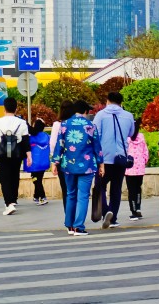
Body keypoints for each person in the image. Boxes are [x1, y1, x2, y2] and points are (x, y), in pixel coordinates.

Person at [52, 100, 104, 236]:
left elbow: (59, 145)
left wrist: (55, 163)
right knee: (83, 196)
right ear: (86, 111)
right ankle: (79, 226)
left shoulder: (64, 125)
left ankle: (69, 225)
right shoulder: (90, 126)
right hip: (86, 166)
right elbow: (97, 147)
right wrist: (101, 164)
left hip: (68, 165)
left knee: (70, 194)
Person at [92, 91, 136, 228]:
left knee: (100, 187)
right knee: (116, 188)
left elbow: (95, 135)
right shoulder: (128, 116)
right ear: (121, 102)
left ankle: (105, 212)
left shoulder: (100, 115)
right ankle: (113, 216)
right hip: (121, 159)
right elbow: (131, 133)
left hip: (104, 159)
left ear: (108, 101)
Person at [0, 97, 31, 216]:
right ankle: (13, 200)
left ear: (4, 108)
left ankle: (9, 203)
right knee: (15, 176)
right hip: (17, 154)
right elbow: (26, 141)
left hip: (2, 155)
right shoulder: (22, 123)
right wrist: (29, 156)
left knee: (4, 178)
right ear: (16, 109)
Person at [50, 101, 74, 209]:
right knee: (75, 189)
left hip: (62, 161)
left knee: (66, 189)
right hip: (76, 160)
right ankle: (76, 215)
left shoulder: (57, 124)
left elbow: (53, 143)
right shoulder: (75, 123)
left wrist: (54, 161)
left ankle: (68, 216)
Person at [23, 118, 51, 205]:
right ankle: (36, 196)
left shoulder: (31, 138)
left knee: (35, 179)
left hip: (34, 164)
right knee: (39, 179)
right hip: (44, 163)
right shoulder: (46, 136)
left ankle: (42, 197)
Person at [125, 121, 149, 221]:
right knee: (138, 188)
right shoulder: (142, 137)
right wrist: (144, 161)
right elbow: (146, 152)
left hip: (129, 169)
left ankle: (133, 211)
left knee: (131, 191)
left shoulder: (126, 139)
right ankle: (138, 208)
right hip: (140, 169)